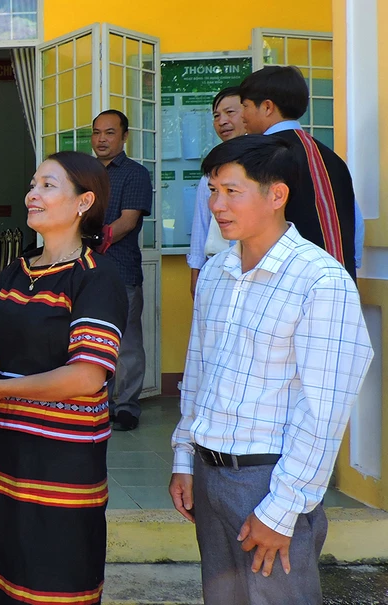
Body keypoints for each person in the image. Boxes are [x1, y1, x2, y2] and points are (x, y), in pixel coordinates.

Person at [0, 152, 128, 605]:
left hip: (65, 464)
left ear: (83, 201)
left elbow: (87, 375)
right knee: (4, 576)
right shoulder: (18, 269)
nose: (33, 194)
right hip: (11, 458)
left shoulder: (97, 277)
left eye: (48, 186)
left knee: (55, 581)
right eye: (34, 184)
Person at [169, 135, 373, 605]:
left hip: (269, 481)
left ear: (276, 195)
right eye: (212, 191)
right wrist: (185, 459)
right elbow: (197, 375)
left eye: (231, 191)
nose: (217, 205)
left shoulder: (319, 280)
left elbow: (323, 409)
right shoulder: (219, 273)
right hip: (210, 474)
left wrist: (281, 509)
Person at [239, 65, 363, 278]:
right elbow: (357, 226)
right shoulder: (333, 159)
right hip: (340, 281)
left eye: (246, 106)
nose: (242, 116)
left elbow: (249, 222)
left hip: (286, 283)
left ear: (267, 107)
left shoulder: (260, 157)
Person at [90, 109, 152, 431]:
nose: (102, 139)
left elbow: (128, 222)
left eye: (110, 132)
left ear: (124, 136)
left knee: (125, 341)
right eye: (97, 132)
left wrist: (95, 240)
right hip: (84, 271)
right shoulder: (83, 175)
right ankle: (95, 402)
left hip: (121, 269)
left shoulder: (135, 173)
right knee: (87, 339)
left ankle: (126, 406)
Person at [187, 86, 246, 297]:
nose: (222, 121)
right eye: (216, 116)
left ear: (247, 113)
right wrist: (196, 273)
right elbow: (201, 224)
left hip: (252, 268)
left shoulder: (263, 165)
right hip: (215, 267)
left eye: (230, 113)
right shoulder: (212, 167)